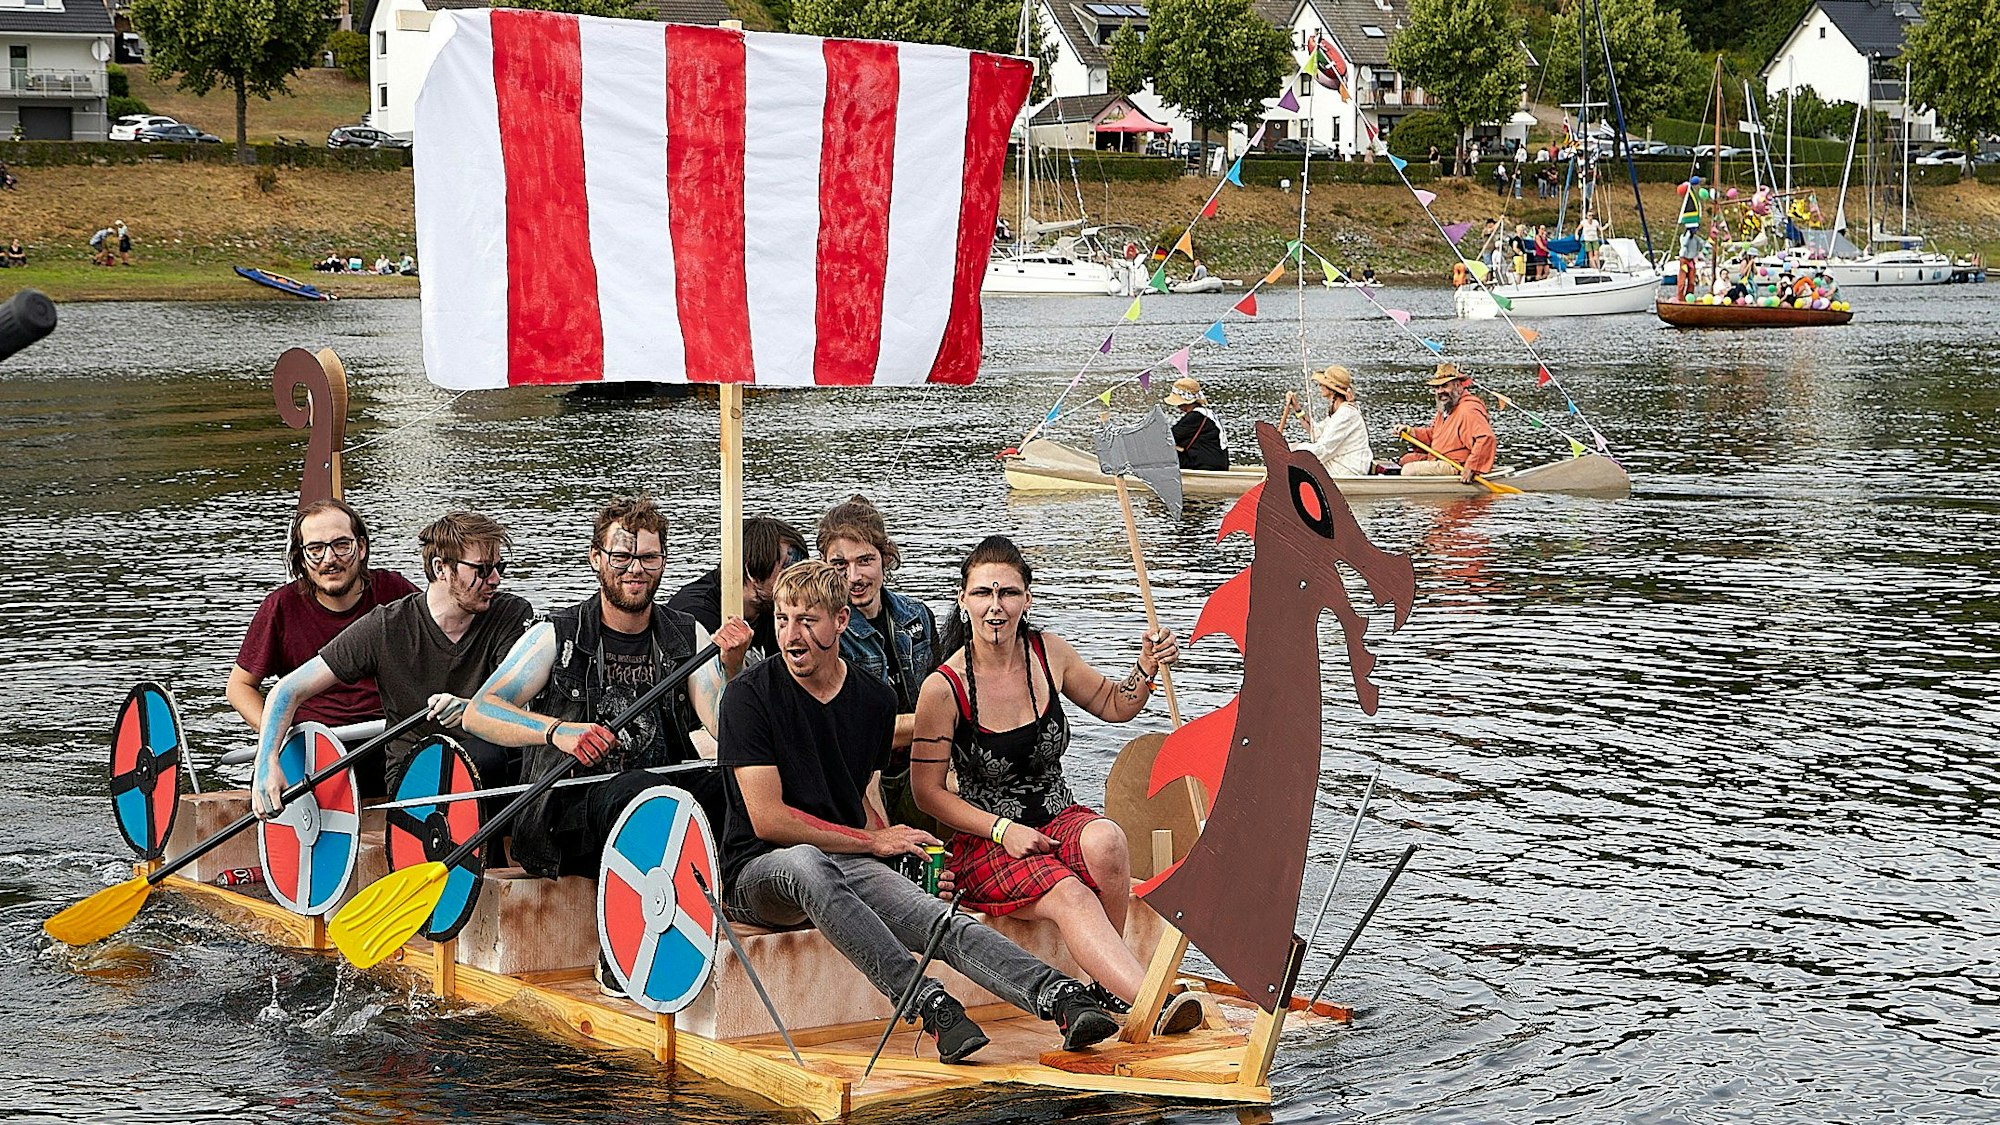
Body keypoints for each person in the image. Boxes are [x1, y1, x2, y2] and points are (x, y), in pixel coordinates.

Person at [718, 561, 1122, 1063]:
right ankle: (930, 1005)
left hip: (841, 855)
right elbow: (767, 819)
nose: (791, 634)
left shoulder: (872, 700)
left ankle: (1061, 997)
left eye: (807, 620)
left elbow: (859, 800)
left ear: (841, 621)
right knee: (806, 862)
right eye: (781, 619)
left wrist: (899, 856)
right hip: (758, 872)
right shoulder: (747, 696)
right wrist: (872, 844)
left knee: (935, 916)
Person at [909, 537, 1201, 1032]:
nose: (995, 607)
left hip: (1056, 815)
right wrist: (1003, 830)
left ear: (1027, 599)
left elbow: (1115, 704)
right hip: (985, 841)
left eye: (1008, 593)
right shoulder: (943, 687)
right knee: (1070, 893)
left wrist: (1147, 669)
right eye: (983, 593)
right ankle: (1152, 1002)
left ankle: (1108, 987)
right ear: (963, 600)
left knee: (1108, 840)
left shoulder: (1049, 654)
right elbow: (927, 793)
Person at [464, 496, 751, 894]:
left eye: (649, 558)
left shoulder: (688, 635)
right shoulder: (556, 635)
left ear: (664, 561)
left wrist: (732, 669)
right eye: (621, 557)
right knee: (636, 791)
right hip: (568, 814)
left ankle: (740, 891)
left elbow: (725, 730)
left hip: (659, 797)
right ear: (596, 558)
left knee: (736, 784)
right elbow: (478, 711)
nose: (635, 569)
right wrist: (559, 732)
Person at [250, 511, 536, 818]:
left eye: (498, 567)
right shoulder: (385, 626)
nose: (495, 579)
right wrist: (266, 762)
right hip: (416, 774)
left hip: (494, 765)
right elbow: (287, 690)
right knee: (481, 758)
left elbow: (514, 701)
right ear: (441, 568)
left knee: (512, 756)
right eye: (481, 569)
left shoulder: (510, 614)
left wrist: (470, 709)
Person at [227, 499, 421, 797]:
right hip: (315, 751)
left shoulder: (393, 592)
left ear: (362, 547)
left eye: (341, 545)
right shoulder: (281, 607)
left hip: (390, 736)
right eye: (315, 549)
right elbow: (239, 687)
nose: (329, 559)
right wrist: (281, 737)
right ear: (302, 558)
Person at [816, 495, 941, 832]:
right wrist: (939, 722)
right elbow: (852, 734)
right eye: (840, 565)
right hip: (861, 775)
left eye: (865, 560)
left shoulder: (917, 615)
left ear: (886, 558)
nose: (854, 576)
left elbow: (942, 690)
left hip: (923, 763)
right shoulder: (824, 632)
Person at [668, 516, 808, 669]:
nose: (797, 581)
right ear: (751, 570)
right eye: (788, 569)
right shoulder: (695, 616)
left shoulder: (776, 607)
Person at [1396, 364, 1497, 481]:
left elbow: (1486, 438)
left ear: (1458, 386)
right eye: (1437, 388)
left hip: (1457, 465)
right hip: (1439, 458)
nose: (1440, 391)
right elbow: (1434, 436)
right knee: (1405, 460)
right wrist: (1410, 431)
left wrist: (1472, 467)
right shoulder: (1446, 408)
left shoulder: (1468, 410)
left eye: (1444, 386)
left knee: (1408, 470)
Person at [1284, 364, 1373, 476]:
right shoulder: (1339, 412)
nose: (1320, 386)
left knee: (1297, 470)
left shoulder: (1346, 414)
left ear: (1332, 390)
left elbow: (1322, 449)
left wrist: (1295, 449)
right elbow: (1316, 432)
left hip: (1348, 469)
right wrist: (1297, 409)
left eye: (1323, 384)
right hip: (1338, 463)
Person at [1163, 376, 1228, 471]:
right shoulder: (1207, 413)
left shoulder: (1195, 416)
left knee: (1161, 454)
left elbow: (1170, 437)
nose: (1178, 406)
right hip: (1218, 462)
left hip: (1206, 464)